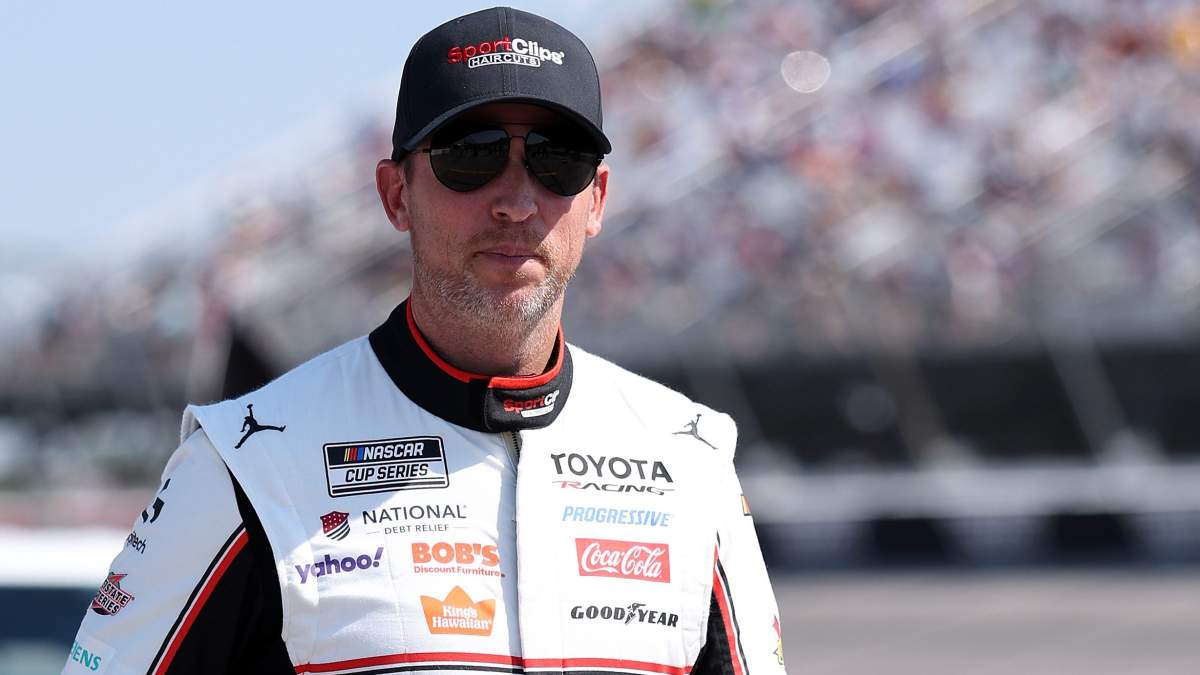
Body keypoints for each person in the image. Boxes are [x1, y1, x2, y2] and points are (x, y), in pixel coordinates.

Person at [63, 7, 786, 675]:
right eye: (471, 155)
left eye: (556, 159)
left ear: (595, 200)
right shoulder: (247, 461)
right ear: (395, 195)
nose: (517, 201)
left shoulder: (691, 460)